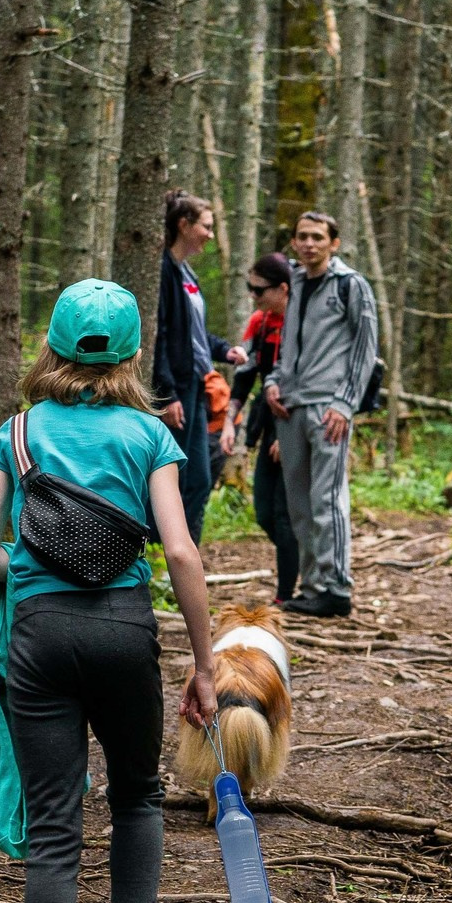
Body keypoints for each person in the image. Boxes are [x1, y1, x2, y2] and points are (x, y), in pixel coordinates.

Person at [0, 279, 219, 903]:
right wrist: (205, 664)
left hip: (38, 639)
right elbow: (179, 552)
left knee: (54, 834)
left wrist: (35, 572)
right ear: (135, 353)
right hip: (122, 631)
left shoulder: (18, 432)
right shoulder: (150, 435)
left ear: (53, 346)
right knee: (138, 796)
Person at [267, 211, 378, 619]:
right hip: (291, 406)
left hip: (329, 408)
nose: (309, 243)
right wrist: (273, 382)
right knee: (298, 502)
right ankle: (313, 586)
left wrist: (345, 404)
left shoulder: (352, 286)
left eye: (317, 237)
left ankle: (336, 586)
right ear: (293, 242)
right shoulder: (293, 283)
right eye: (302, 237)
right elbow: (287, 346)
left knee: (326, 499)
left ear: (334, 243)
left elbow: (365, 350)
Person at [154, 192, 245, 544]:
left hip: (195, 386)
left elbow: (194, 333)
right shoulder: (164, 270)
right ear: (183, 225)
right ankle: (165, 551)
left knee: (199, 477)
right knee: (180, 476)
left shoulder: (185, 272)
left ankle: (182, 551)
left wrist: (225, 350)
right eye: (206, 226)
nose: (210, 234)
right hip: (176, 390)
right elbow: (160, 335)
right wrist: (167, 394)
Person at [226, 252, 300, 603]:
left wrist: (292, 438)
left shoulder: (303, 323)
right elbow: (246, 375)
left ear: (283, 289)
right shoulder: (261, 322)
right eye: (249, 288)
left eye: (259, 290)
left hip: (298, 424)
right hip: (268, 424)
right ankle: (299, 565)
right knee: (265, 513)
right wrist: (231, 420)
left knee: (285, 515)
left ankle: (286, 595)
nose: (253, 296)